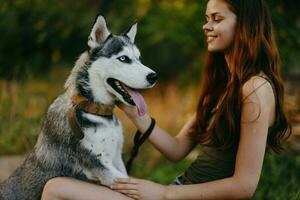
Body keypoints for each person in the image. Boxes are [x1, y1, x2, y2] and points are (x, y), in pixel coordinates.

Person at [41, 0, 291, 199]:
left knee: (56, 190)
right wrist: (130, 108)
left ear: (246, 24)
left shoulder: (255, 88)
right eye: (206, 19)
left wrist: (165, 193)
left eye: (217, 19)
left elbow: (244, 186)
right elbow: (176, 149)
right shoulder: (224, 86)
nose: (206, 26)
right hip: (178, 189)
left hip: (177, 194)